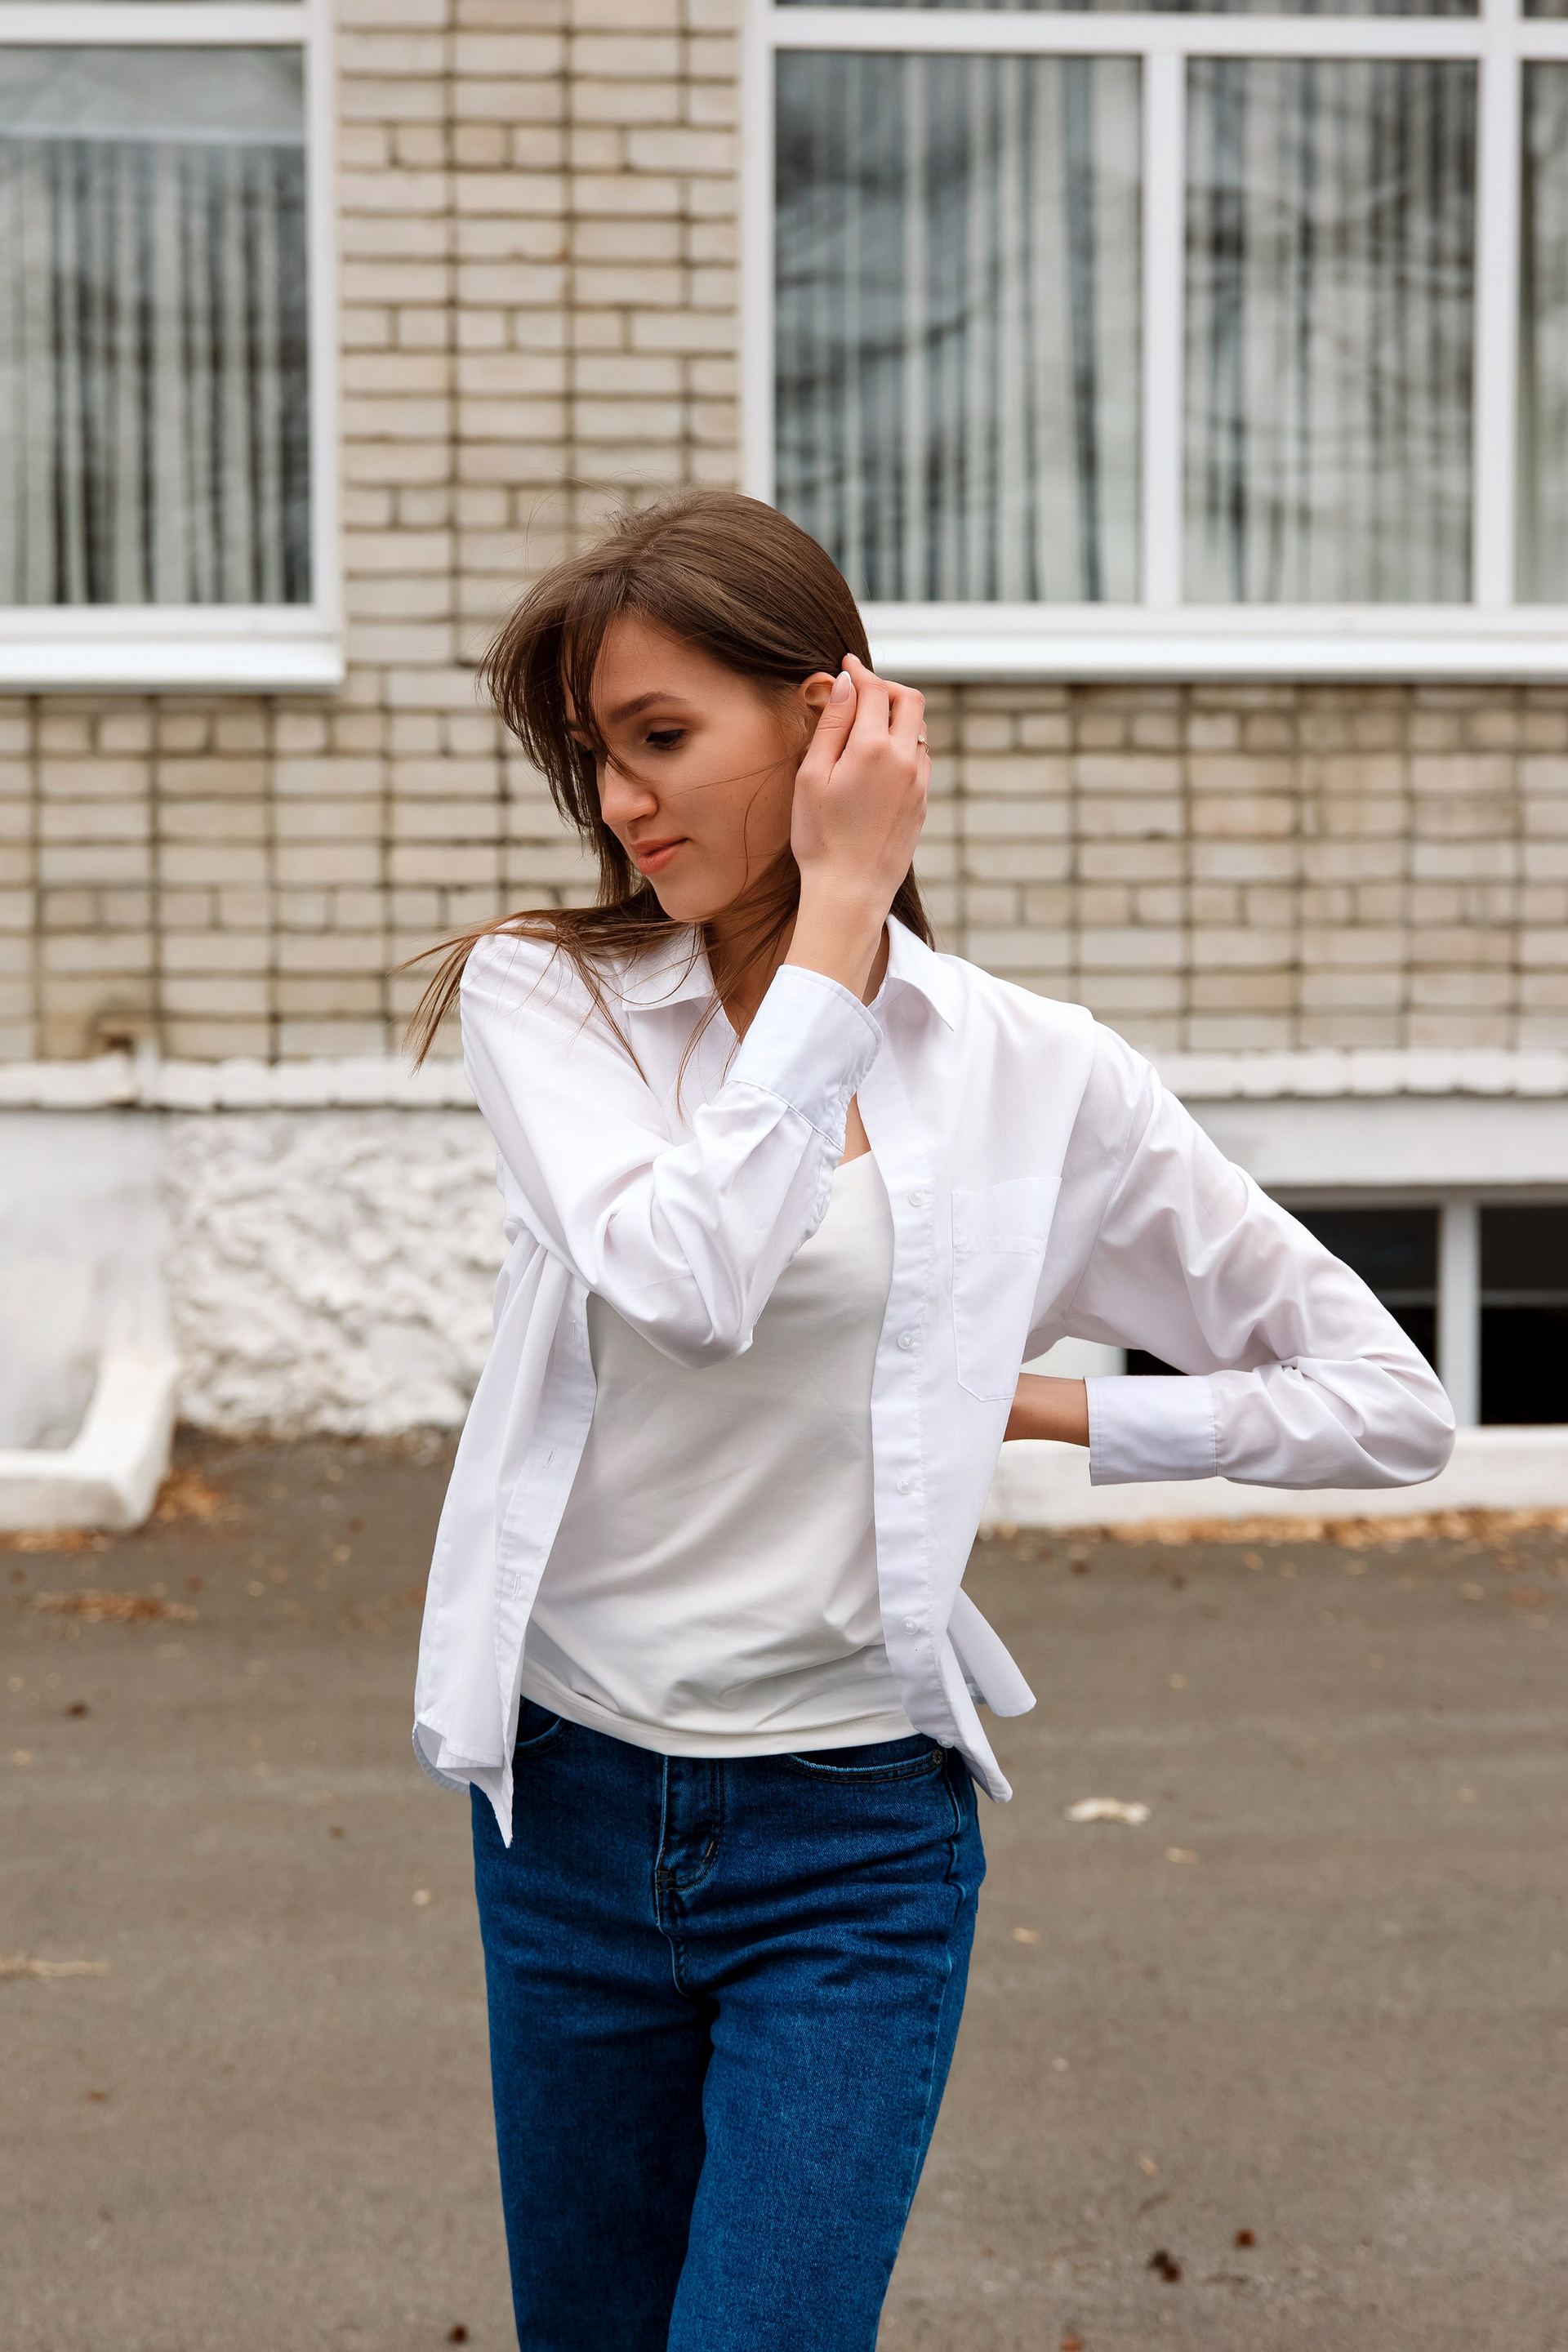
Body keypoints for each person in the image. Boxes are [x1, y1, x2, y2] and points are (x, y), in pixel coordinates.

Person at [407, 491, 1454, 2352]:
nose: (623, 802)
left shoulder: (1036, 1074)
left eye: (662, 738)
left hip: (851, 1847)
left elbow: (1387, 1405)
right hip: (567, 1817)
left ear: (829, 723)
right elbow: (692, 1278)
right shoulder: (559, 1000)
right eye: (596, 758)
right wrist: (837, 928)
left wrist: (1042, 1410)